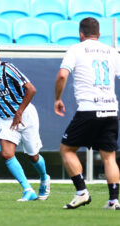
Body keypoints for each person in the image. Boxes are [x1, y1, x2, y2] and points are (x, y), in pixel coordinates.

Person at [0, 43, 50, 201]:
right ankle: (28, 190)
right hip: (5, 118)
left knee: (33, 156)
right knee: (6, 154)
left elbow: (31, 89)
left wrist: (19, 112)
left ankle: (44, 177)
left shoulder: (8, 69)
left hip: (25, 116)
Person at [54, 17, 120, 210]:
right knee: (109, 156)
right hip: (110, 109)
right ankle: (114, 200)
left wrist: (57, 99)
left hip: (89, 109)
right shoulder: (111, 50)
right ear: (99, 35)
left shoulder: (76, 49)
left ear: (81, 34)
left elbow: (62, 75)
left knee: (66, 150)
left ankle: (82, 192)